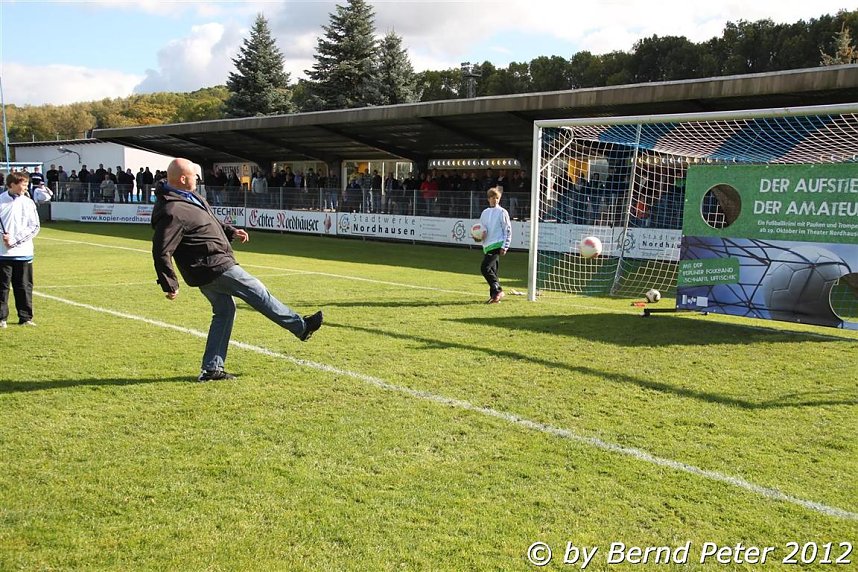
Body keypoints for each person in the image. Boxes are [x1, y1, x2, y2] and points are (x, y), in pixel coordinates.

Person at [151, 158, 323, 381]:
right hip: (213, 266)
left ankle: (211, 369)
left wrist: (231, 231)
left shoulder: (190, 197)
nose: (197, 179)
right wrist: (169, 283)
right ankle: (302, 327)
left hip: (210, 267)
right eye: (194, 176)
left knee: (224, 311)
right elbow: (161, 250)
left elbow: (209, 221)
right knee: (257, 291)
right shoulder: (172, 209)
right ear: (183, 179)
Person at [0, 171, 40, 327]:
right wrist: (3, 236)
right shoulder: (1, 201)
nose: (26, 187)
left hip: (23, 253)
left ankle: (25, 317)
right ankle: (1, 318)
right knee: (2, 287)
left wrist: (14, 241)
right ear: (12, 184)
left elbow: (34, 226)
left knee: (24, 286)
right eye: (23, 184)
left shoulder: (28, 203)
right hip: (2, 254)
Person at [474, 186, 511, 304]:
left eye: (497, 198)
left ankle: (498, 290)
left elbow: (507, 229)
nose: (495, 200)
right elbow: (481, 229)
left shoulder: (502, 212)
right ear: (488, 199)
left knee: (485, 268)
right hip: (487, 245)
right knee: (493, 272)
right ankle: (495, 297)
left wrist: (505, 246)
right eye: (492, 198)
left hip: (497, 244)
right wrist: (477, 237)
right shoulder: (485, 212)